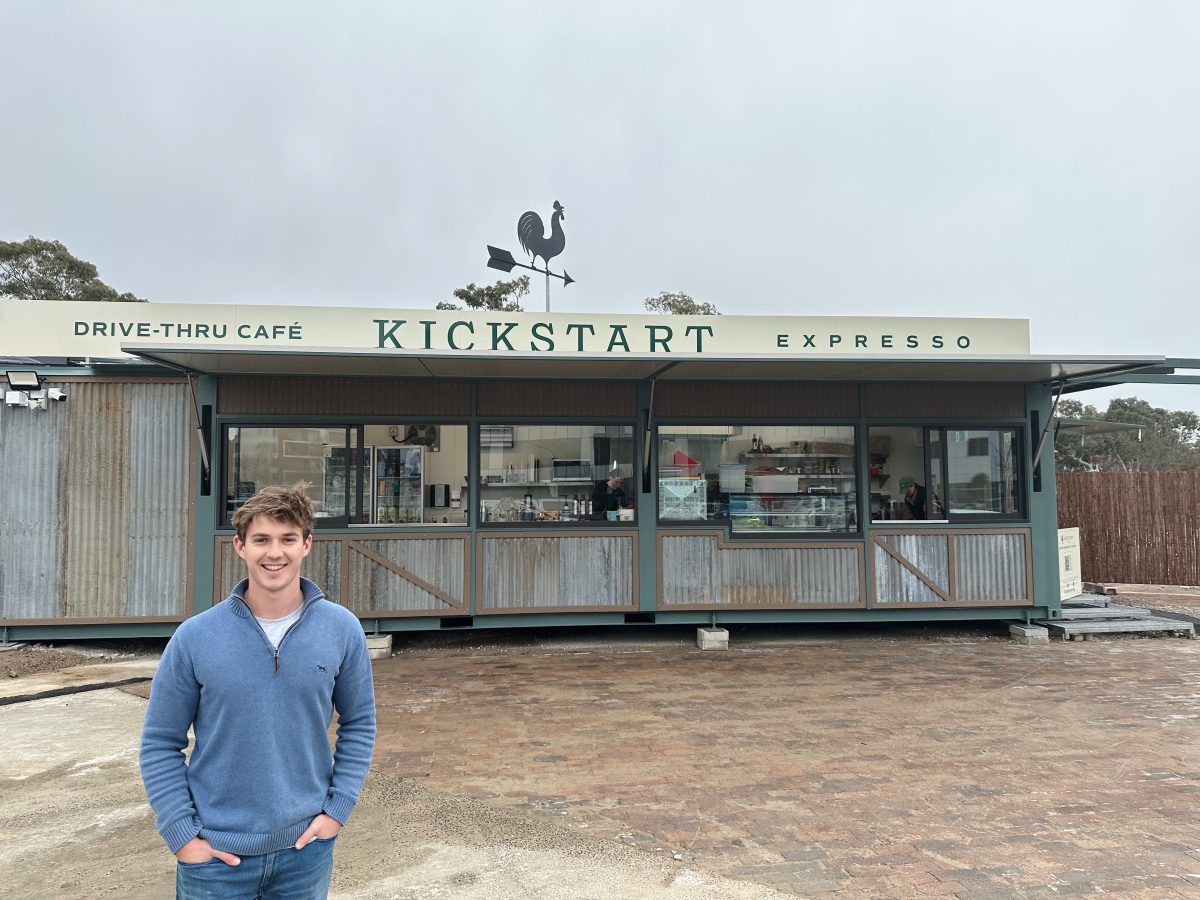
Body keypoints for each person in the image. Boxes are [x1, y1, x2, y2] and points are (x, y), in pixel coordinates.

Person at [140, 484, 376, 900]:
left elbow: (359, 724)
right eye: (261, 540)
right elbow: (160, 742)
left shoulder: (341, 629)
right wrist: (182, 836)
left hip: (306, 853)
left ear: (306, 545)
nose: (274, 553)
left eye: (287, 539)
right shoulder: (195, 637)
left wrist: (337, 811)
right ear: (239, 546)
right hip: (214, 859)